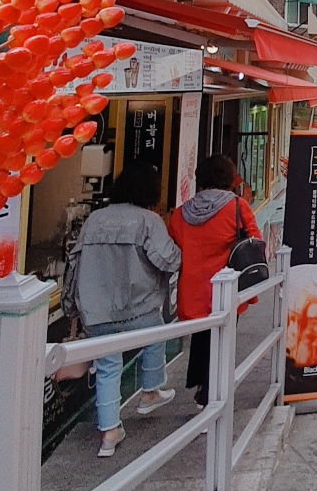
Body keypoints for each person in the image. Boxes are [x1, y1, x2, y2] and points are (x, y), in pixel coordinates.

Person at [68, 162, 182, 458]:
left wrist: (71, 306)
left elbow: (74, 263)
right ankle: (150, 392)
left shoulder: (94, 220)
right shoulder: (147, 220)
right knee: (156, 334)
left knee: (107, 366)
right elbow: (168, 260)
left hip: (97, 311)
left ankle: (108, 433)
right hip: (138, 307)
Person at [168, 154, 261, 407]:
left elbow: (173, 249)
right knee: (222, 340)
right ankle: (212, 394)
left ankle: (201, 384)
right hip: (227, 289)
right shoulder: (237, 206)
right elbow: (255, 240)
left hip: (192, 292)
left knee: (201, 337)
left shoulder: (180, 214)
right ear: (229, 178)